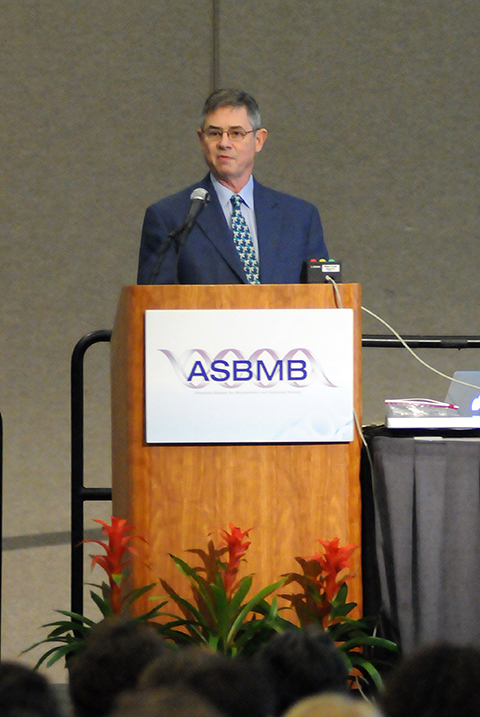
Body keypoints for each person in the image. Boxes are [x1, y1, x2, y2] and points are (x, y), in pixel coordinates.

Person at [137, 88, 328, 285]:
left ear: (259, 140)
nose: (224, 143)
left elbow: (323, 300)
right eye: (214, 133)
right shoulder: (170, 218)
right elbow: (154, 303)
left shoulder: (299, 218)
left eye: (236, 133)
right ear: (202, 141)